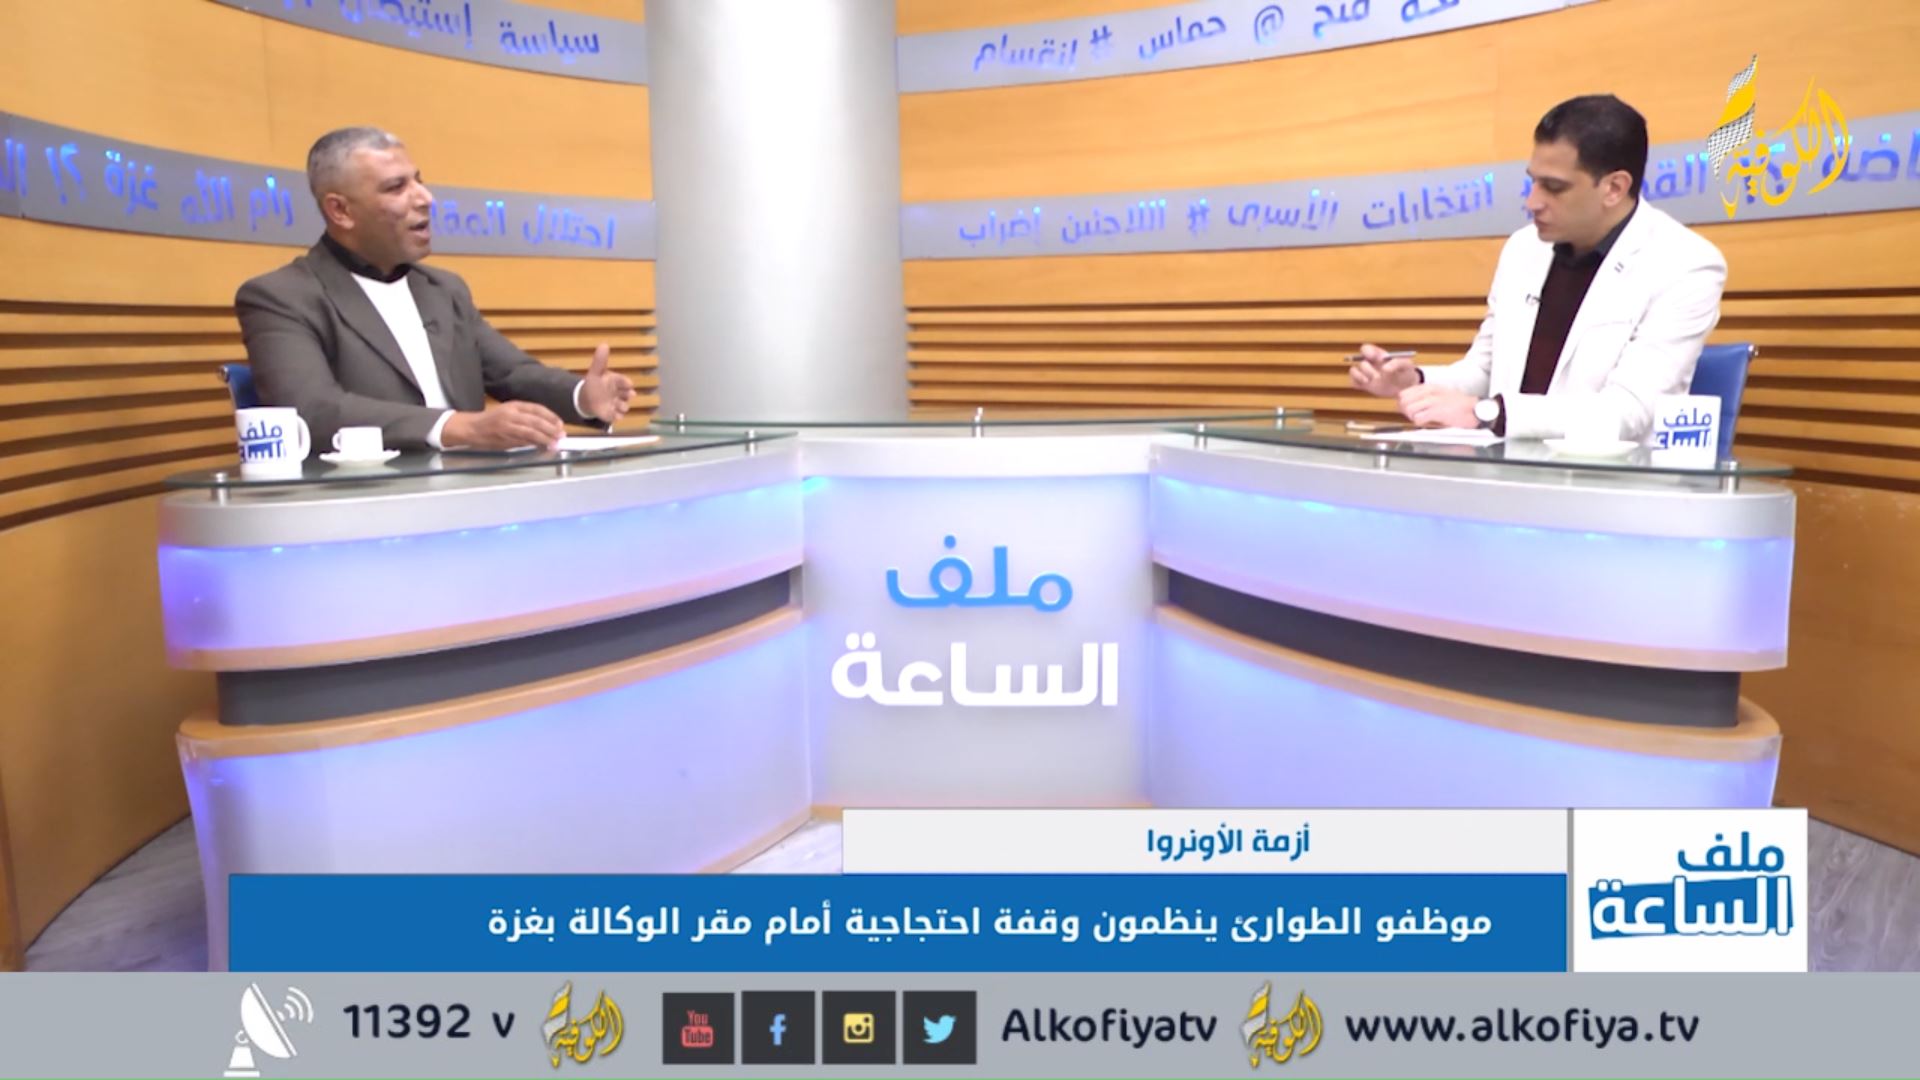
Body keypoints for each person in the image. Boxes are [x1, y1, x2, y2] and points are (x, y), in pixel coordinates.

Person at [1351, 95, 1726, 441]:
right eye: (1533, 182)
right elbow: (1484, 371)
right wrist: (1415, 381)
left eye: (1554, 187)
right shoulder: (1522, 248)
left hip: (1609, 482)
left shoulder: (1686, 265)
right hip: (1505, 470)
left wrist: (1488, 413)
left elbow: (1627, 413)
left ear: (1614, 188)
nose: (1533, 202)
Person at [235, 127, 633, 451]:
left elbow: (512, 372)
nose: (425, 198)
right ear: (340, 210)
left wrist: (582, 396)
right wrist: (459, 428)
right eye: (396, 187)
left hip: (472, 496)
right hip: (368, 506)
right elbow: (312, 411)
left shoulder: (445, 289)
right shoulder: (281, 297)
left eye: (419, 181)